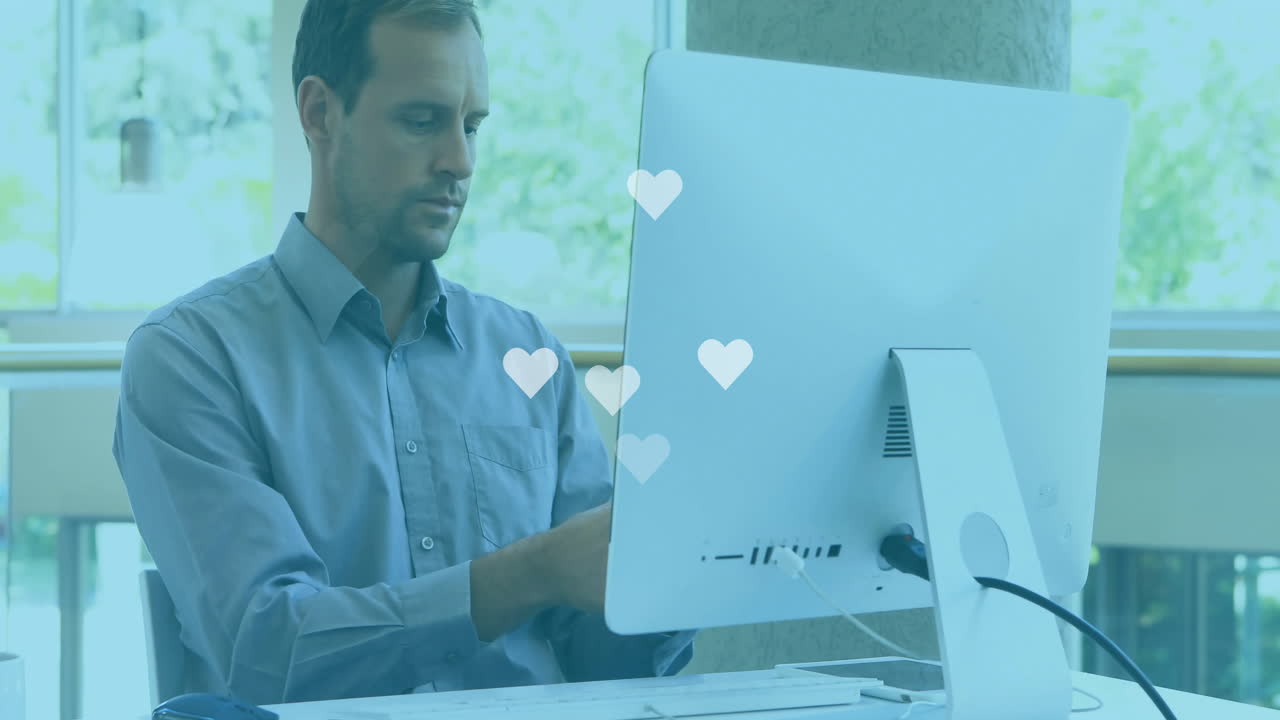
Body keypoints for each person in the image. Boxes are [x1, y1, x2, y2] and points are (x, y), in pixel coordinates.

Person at [113, 0, 694, 706]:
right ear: (320, 114)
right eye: (422, 121)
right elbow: (268, 653)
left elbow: (603, 661)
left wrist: (677, 574)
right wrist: (530, 572)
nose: (460, 161)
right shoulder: (192, 359)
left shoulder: (529, 356)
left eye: (471, 126)